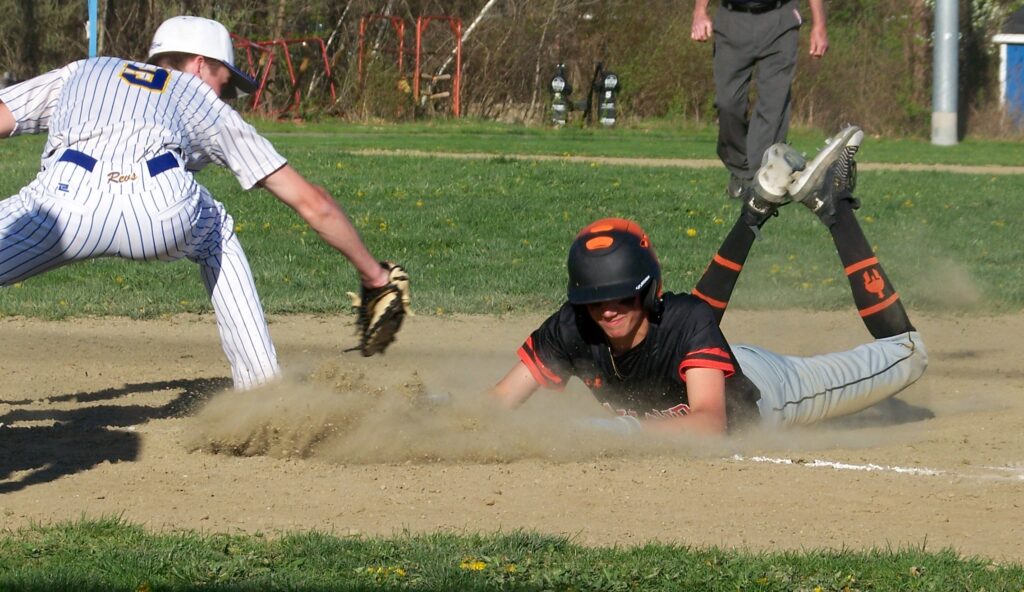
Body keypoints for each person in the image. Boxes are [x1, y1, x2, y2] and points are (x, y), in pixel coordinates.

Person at [0, 15, 408, 390]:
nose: (227, 96)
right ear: (199, 64)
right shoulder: (199, 97)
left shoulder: (84, 70)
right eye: (226, 82)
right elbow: (311, 202)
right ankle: (264, 394)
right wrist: (374, 276)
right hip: (162, 203)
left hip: (60, 200)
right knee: (218, 236)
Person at [491, 125, 928, 436]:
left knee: (909, 355)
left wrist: (617, 431)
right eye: (593, 300)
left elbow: (708, 422)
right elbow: (498, 403)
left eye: (622, 298)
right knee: (687, 325)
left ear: (646, 290)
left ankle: (834, 206)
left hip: (769, 391)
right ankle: (757, 207)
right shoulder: (573, 326)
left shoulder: (682, 321)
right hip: (702, 358)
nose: (607, 309)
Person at [691, 0, 828, 199]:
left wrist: (819, 25)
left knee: (773, 106)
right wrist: (699, 11)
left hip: (780, 20)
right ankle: (740, 169)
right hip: (732, 20)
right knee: (728, 103)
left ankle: (760, 179)